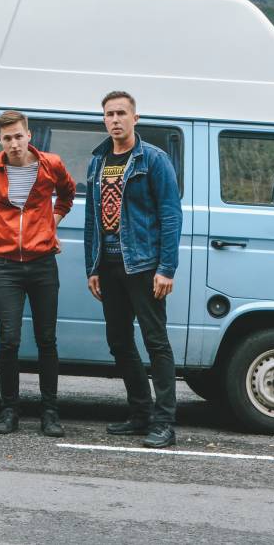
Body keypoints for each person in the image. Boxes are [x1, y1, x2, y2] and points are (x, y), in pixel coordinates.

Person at [0, 110, 76, 437]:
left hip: (43, 264)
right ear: (0, 139)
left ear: (29, 136)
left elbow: (67, 195)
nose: (14, 143)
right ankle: (9, 409)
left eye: (18, 136)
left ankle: (50, 412)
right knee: (9, 340)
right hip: (7, 266)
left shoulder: (50, 164)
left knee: (46, 339)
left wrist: (52, 223)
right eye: (7, 138)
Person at [85, 89, 182, 448]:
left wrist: (166, 268)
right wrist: (91, 266)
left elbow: (171, 214)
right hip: (109, 265)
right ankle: (140, 414)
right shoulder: (98, 161)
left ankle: (164, 422)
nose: (115, 120)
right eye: (109, 114)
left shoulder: (153, 159)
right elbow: (92, 217)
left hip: (143, 264)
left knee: (156, 342)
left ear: (135, 118)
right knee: (120, 342)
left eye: (121, 113)